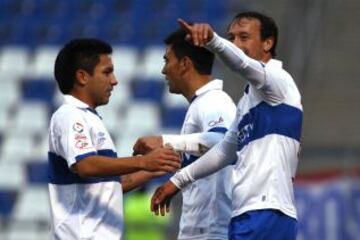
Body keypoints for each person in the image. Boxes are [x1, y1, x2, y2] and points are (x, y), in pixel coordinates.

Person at [151, 12, 303, 240]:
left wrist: (213, 40)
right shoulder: (246, 103)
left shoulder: (279, 82)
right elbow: (224, 150)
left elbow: (241, 64)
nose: (236, 44)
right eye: (232, 38)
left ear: (268, 43)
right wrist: (177, 181)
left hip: (267, 211)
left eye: (244, 37)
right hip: (246, 214)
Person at [48, 38, 180, 240]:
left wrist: (154, 168)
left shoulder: (89, 118)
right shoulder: (70, 115)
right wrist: (143, 161)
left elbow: (109, 186)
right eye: (107, 72)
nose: (114, 80)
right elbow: (85, 165)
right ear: (82, 77)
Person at [121, 28, 237, 239]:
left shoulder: (214, 101)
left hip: (212, 232)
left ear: (184, 64)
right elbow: (186, 158)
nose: (164, 70)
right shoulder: (200, 105)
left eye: (167, 60)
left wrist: (163, 141)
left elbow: (222, 141)